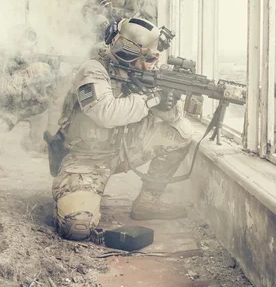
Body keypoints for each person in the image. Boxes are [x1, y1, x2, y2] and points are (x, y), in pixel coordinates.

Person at [50, 17, 192, 241]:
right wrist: (150, 100)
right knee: (77, 227)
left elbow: (176, 117)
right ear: (128, 53)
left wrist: (166, 104)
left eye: (154, 57)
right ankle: (76, 193)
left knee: (181, 132)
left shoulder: (151, 72)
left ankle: (149, 202)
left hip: (125, 150)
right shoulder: (94, 70)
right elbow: (106, 113)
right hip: (87, 158)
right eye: (147, 58)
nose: (151, 64)